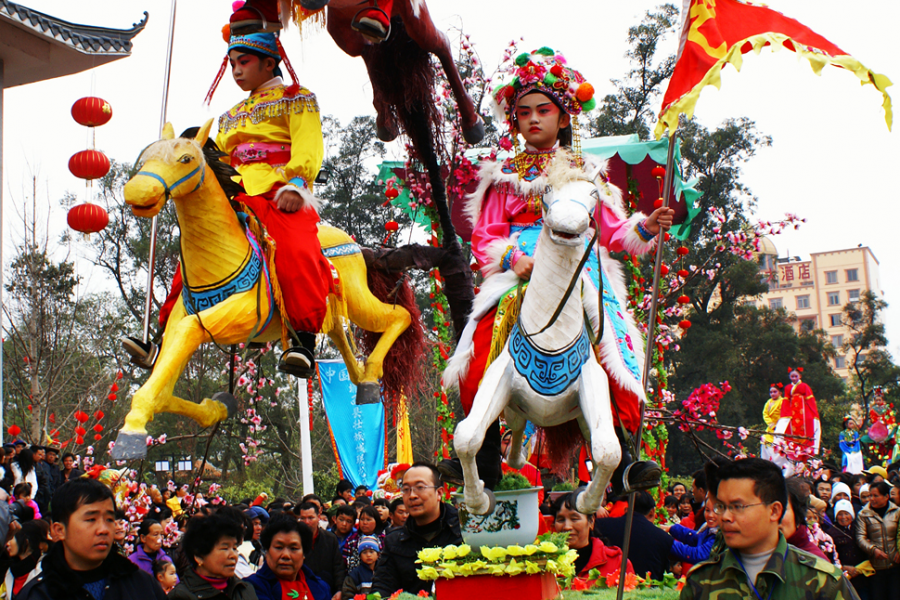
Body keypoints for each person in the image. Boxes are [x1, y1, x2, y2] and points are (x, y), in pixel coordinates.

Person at [440, 46, 672, 495]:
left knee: (613, 337)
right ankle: (481, 454)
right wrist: (512, 259)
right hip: (519, 268)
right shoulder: (503, 172)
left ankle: (624, 457)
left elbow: (610, 231)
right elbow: (485, 235)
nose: (532, 119)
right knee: (479, 337)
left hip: (580, 265)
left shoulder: (585, 171)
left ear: (563, 117)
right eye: (523, 112)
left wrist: (644, 225)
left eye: (542, 110)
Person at [131, 30, 331, 379]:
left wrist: (296, 185)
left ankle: (302, 339)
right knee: (193, 257)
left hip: (276, 191)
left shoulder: (297, 99)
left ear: (269, 62)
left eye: (244, 62)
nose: (237, 71)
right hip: (234, 194)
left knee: (297, 249)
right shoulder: (229, 115)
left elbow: (308, 143)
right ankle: (163, 337)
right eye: (233, 64)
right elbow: (217, 156)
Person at [680, 458, 857, 600]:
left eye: (738, 506)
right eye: (721, 506)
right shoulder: (702, 581)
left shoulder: (823, 582)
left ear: (774, 511)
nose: (725, 517)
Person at [17, 478, 166, 600]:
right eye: (91, 519)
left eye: (109, 519)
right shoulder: (38, 595)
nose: (103, 530)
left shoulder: (142, 585)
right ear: (59, 530)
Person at [371, 463, 461, 596]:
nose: (412, 495)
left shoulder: (464, 532)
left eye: (420, 487)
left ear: (439, 493)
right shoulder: (395, 541)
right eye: (406, 489)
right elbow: (382, 587)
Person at [168, 513, 257, 600]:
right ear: (199, 557)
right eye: (225, 548)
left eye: (234, 548)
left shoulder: (244, 589)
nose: (233, 555)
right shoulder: (181, 596)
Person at [245, 514, 329, 600]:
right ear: (267, 551)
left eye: (293, 548)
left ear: (303, 554)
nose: (285, 555)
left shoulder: (321, 587)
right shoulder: (251, 587)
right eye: (279, 548)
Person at [552, 491, 632, 581]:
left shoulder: (617, 562)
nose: (567, 527)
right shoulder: (546, 564)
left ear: (591, 521)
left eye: (574, 519)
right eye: (560, 520)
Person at [594, 491, 673, 581]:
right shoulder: (664, 538)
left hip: (608, 588)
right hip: (647, 591)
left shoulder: (601, 526)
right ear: (652, 512)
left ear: (626, 509)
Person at [853, 481, 900, 596]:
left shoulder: (897, 512)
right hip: (875, 568)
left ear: (886, 497)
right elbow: (860, 537)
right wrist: (873, 549)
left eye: (876, 496)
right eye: (870, 495)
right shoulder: (863, 514)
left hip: (895, 565)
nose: (872, 499)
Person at [296, 501, 344, 600]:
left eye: (310, 518)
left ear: (318, 517)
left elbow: (338, 567)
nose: (307, 522)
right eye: (303, 518)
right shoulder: (294, 540)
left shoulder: (330, 538)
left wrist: (339, 590)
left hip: (327, 591)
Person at [773, 367, 821, 464]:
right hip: (792, 412)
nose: (794, 378)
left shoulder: (804, 386)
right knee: (790, 430)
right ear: (789, 377)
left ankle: (805, 453)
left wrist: (814, 413)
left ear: (800, 376)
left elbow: (810, 400)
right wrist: (785, 415)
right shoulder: (787, 388)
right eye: (792, 376)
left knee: (807, 429)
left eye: (796, 376)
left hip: (804, 411)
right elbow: (786, 401)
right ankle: (793, 454)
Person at [823, 500, 867, 597]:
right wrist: (843, 567)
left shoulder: (859, 527)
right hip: (843, 575)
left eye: (846, 514)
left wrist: (859, 569)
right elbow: (829, 556)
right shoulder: (831, 532)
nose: (843, 517)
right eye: (840, 514)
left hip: (862, 574)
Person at [663, 496, 720, 565]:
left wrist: (666, 541)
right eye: (707, 510)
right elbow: (695, 537)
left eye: (715, 511)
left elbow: (697, 554)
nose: (710, 515)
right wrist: (671, 528)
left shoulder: (720, 535)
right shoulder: (709, 530)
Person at [3, 520, 47, 598]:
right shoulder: (10, 572)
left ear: (26, 541)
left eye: (12, 538)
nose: (7, 543)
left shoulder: (45, 570)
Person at [761, 384, 784, 461]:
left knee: (776, 449)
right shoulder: (769, 402)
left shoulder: (782, 401)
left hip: (779, 427)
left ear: (780, 393)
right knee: (764, 442)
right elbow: (765, 414)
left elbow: (784, 415)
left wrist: (778, 426)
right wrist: (771, 424)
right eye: (771, 392)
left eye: (775, 392)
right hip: (770, 427)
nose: (772, 394)